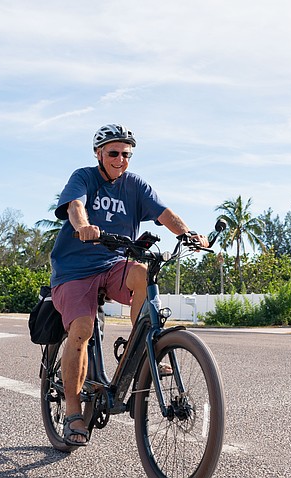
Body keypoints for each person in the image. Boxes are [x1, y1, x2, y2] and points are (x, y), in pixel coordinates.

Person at [49, 123, 208, 446]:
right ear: (98, 154)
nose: (120, 160)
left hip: (113, 266)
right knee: (81, 329)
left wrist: (188, 235)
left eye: (126, 154)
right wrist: (83, 226)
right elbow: (75, 207)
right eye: (113, 153)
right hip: (75, 270)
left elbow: (164, 214)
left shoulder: (135, 186)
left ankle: (139, 357)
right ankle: (73, 411)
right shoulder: (84, 177)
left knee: (142, 273)